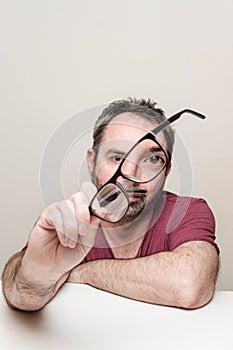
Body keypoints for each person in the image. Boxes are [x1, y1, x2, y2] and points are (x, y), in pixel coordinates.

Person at [2, 98, 219, 311]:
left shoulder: (187, 211)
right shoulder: (71, 221)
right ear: (91, 161)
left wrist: (83, 273)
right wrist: (38, 272)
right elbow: (21, 297)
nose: (131, 176)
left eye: (152, 160)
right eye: (117, 158)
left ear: (167, 171)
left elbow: (189, 286)